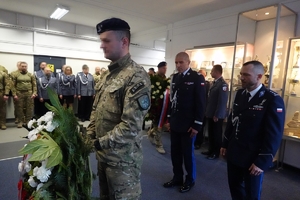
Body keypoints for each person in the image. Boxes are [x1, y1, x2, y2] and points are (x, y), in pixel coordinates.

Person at [86, 17, 151, 199]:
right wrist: (89, 135)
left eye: (106, 40)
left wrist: (98, 143)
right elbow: (96, 111)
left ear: (124, 41)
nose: (101, 45)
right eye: (101, 41)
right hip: (104, 157)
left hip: (123, 162)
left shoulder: (136, 76)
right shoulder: (107, 75)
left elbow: (130, 127)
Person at [220, 61, 285, 200]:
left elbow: (274, 134)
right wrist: (225, 144)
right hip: (235, 152)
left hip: (253, 158)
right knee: (235, 189)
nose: (241, 78)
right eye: (241, 74)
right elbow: (233, 120)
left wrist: (263, 161)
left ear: (259, 76)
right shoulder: (240, 94)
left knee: (251, 194)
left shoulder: (272, 99)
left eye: (246, 75)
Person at [163, 52, 206, 193]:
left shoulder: (197, 77)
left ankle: (190, 179)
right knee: (175, 153)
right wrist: (169, 119)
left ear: (188, 62)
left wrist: (197, 124)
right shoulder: (175, 77)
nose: (178, 65)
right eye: (176, 62)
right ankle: (177, 177)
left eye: (181, 62)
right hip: (176, 122)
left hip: (189, 124)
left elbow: (201, 103)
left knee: (188, 154)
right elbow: (172, 100)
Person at [201, 65, 228, 159]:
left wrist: (217, 114)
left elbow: (222, 101)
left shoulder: (223, 84)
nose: (211, 73)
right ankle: (211, 150)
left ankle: (216, 152)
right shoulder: (214, 83)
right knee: (211, 132)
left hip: (217, 114)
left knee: (216, 134)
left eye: (212, 71)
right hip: (211, 112)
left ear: (217, 72)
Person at [148, 61, 168, 154]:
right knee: (158, 125)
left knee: (162, 125)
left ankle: (151, 132)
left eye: (166, 68)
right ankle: (159, 145)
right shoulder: (153, 79)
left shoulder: (166, 80)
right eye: (164, 68)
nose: (165, 70)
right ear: (159, 68)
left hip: (164, 106)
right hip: (155, 106)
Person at [11, 62, 37, 128]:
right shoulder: (16, 75)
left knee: (29, 107)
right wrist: (14, 94)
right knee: (19, 108)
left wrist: (34, 93)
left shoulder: (30, 75)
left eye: (25, 66)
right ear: (20, 67)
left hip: (29, 93)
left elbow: (34, 85)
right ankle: (20, 121)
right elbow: (12, 85)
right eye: (22, 66)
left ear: (27, 67)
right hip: (19, 93)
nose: (24, 67)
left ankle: (28, 121)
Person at [194, 69, 210, 150]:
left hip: (204, 108)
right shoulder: (196, 83)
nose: (200, 76)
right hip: (196, 109)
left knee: (200, 127)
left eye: (202, 74)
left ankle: (198, 143)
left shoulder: (207, 84)